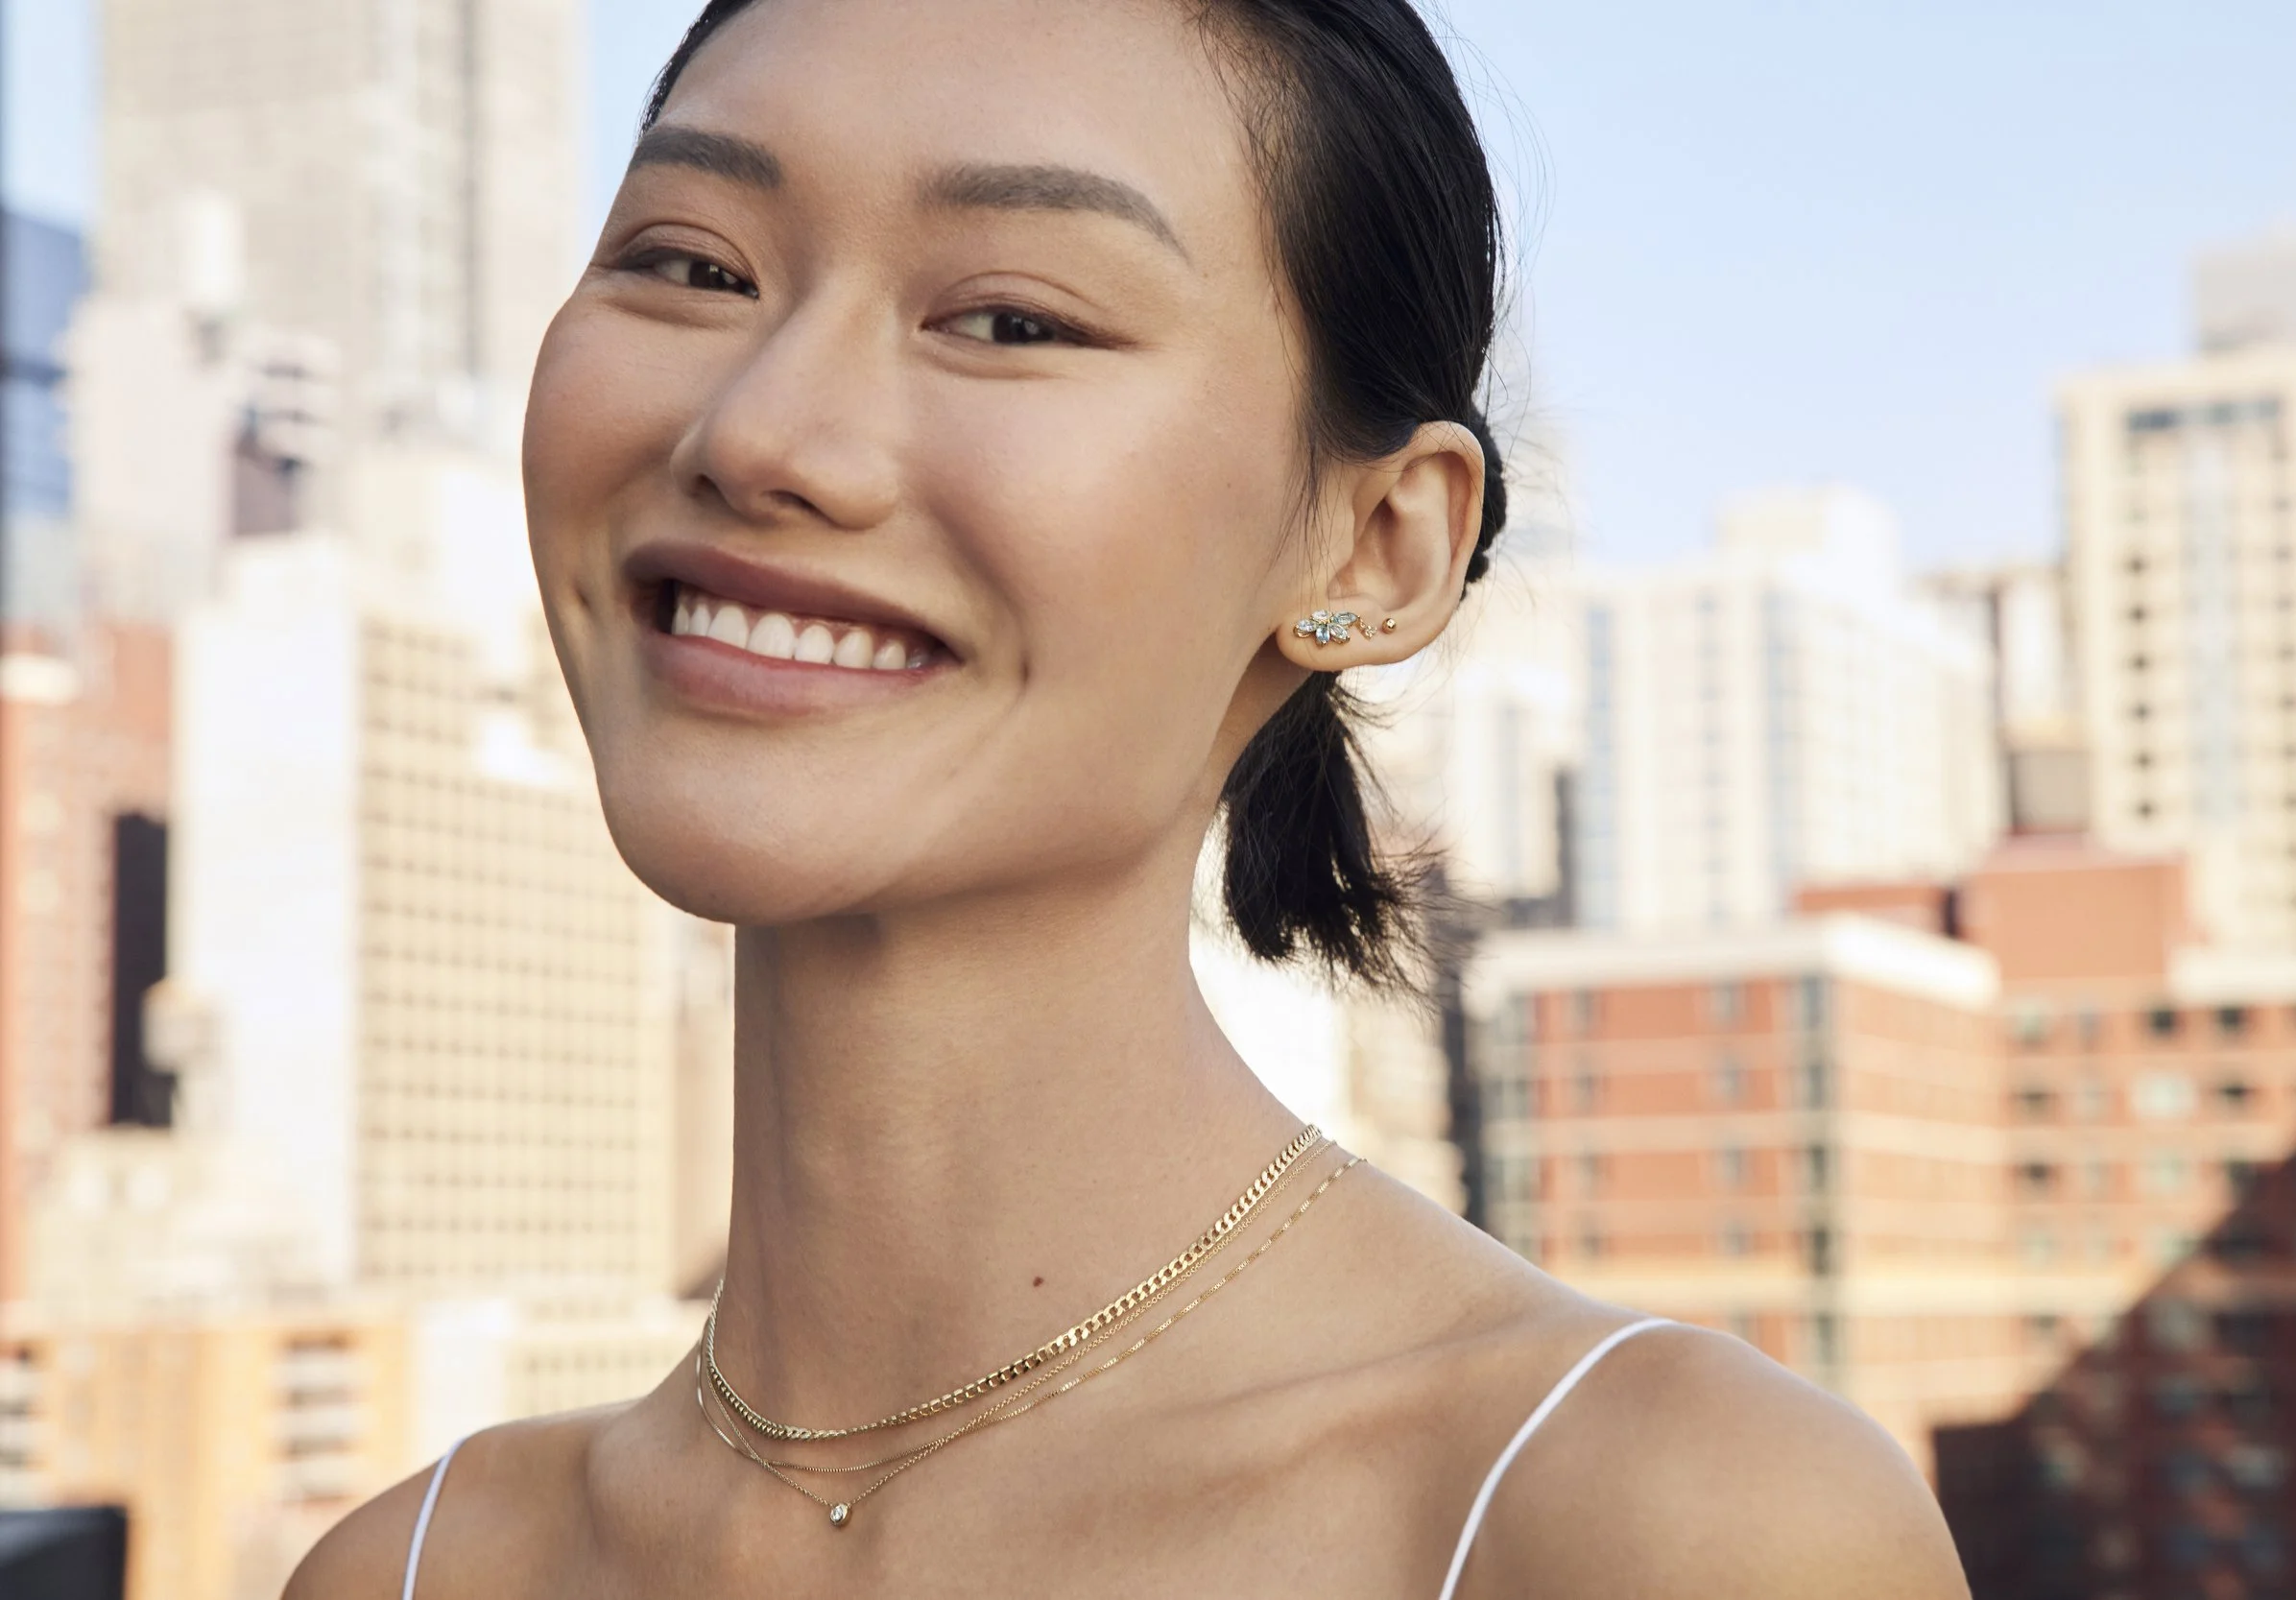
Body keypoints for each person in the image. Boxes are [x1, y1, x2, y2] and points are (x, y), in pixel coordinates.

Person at [290, 0, 1968, 1593]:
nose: (763, 431)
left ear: (1378, 548)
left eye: (1012, 318)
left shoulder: (1652, 1526)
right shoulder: (423, 1566)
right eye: (692, 264)